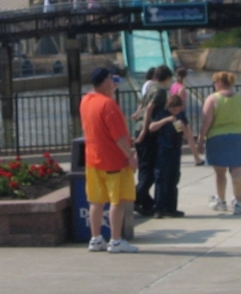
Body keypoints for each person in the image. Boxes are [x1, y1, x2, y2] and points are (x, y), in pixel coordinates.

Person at [80, 67, 138, 253]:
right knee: (117, 201)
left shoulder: (85, 101)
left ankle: (96, 239)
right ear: (105, 82)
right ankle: (116, 240)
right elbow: (119, 136)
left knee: (96, 201)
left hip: (92, 160)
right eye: (111, 79)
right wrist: (130, 156)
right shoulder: (108, 105)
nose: (114, 82)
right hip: (113, 162)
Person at [200, 71, 241, 214]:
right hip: (238, 137)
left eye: (214, 82)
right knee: (238, 173)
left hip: (217, 138)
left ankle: (221, 200)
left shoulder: (212, 99)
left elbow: (206, 122)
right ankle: (238, 203)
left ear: (220, 83)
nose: (214, 85)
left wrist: (200, 139)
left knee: (220, 174)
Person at [131, 65, 173, 217]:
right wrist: (144, 130)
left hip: (139, 127)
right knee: (150, 169)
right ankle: (135, 198)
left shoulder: (150, 87)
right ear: (167, 78)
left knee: (144, 167)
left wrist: (137, 117)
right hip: (148, 130)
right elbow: (149, 108)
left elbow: (142, 105)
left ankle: (146, 201)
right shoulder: (160, 90)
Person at [148, 93, 194, 218]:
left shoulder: (181, 116)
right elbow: (152, 127)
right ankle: (159, 208)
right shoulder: (163, 114)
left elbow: (186, 135)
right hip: (163, 149)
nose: (175, 111)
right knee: (161, 178)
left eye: (177, 109)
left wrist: (183, 128)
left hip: (175, 149)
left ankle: (171, 208)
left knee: (173, 178)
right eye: (173, 109)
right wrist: (166, 120)